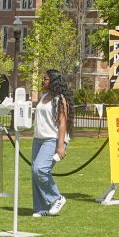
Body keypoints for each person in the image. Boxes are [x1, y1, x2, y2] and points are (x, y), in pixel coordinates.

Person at [28, 70, 72, 217]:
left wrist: (60, 146)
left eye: (45, 79)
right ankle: (41, 208)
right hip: (38, 140)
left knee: (40, 169)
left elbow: (62, 124)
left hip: (52, 140)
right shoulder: (43, 97)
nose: (42, 81)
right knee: (35, 172)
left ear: (53, 81)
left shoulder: (60, 99)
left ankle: (57, 198)